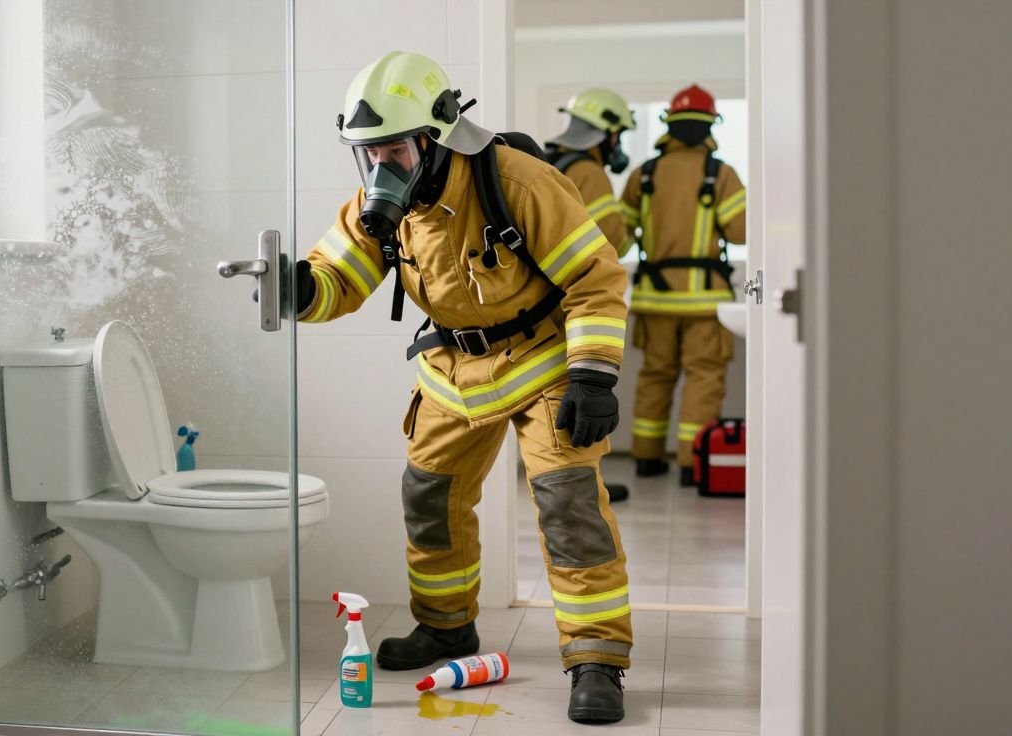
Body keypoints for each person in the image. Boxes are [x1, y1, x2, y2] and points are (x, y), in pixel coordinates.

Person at [294, 50, 634, 724]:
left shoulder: (522, 183)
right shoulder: (382, 204)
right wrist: (299, 289)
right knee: (429, 498)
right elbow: (338, 278)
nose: (380, 168)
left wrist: (593, 377)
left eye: (392, 150)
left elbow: (595, 282)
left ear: (436, 135)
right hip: (454, 369)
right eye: (367, 154)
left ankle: (597, 657)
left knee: (569, 508)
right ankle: (447, 627)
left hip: (542, 363)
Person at [618, 84, 747, 485]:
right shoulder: (720, 173)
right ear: (711, 124)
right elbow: (741, 232)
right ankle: (694, 464)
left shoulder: (645, 174)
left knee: (656, 376)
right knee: (703, 378)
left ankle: (646, 458)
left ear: (668, 124)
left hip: (655, 300)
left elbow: (620, 234)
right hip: (705, 304)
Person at [544, 87, 638, 502]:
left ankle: (574, 485)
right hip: (577, 300)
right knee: (587, 397)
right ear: (607, 134)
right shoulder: (590, 171)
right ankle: (587, 486)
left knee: (561, 400)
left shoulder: (545, 163)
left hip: (543, 302)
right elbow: (611, 239)